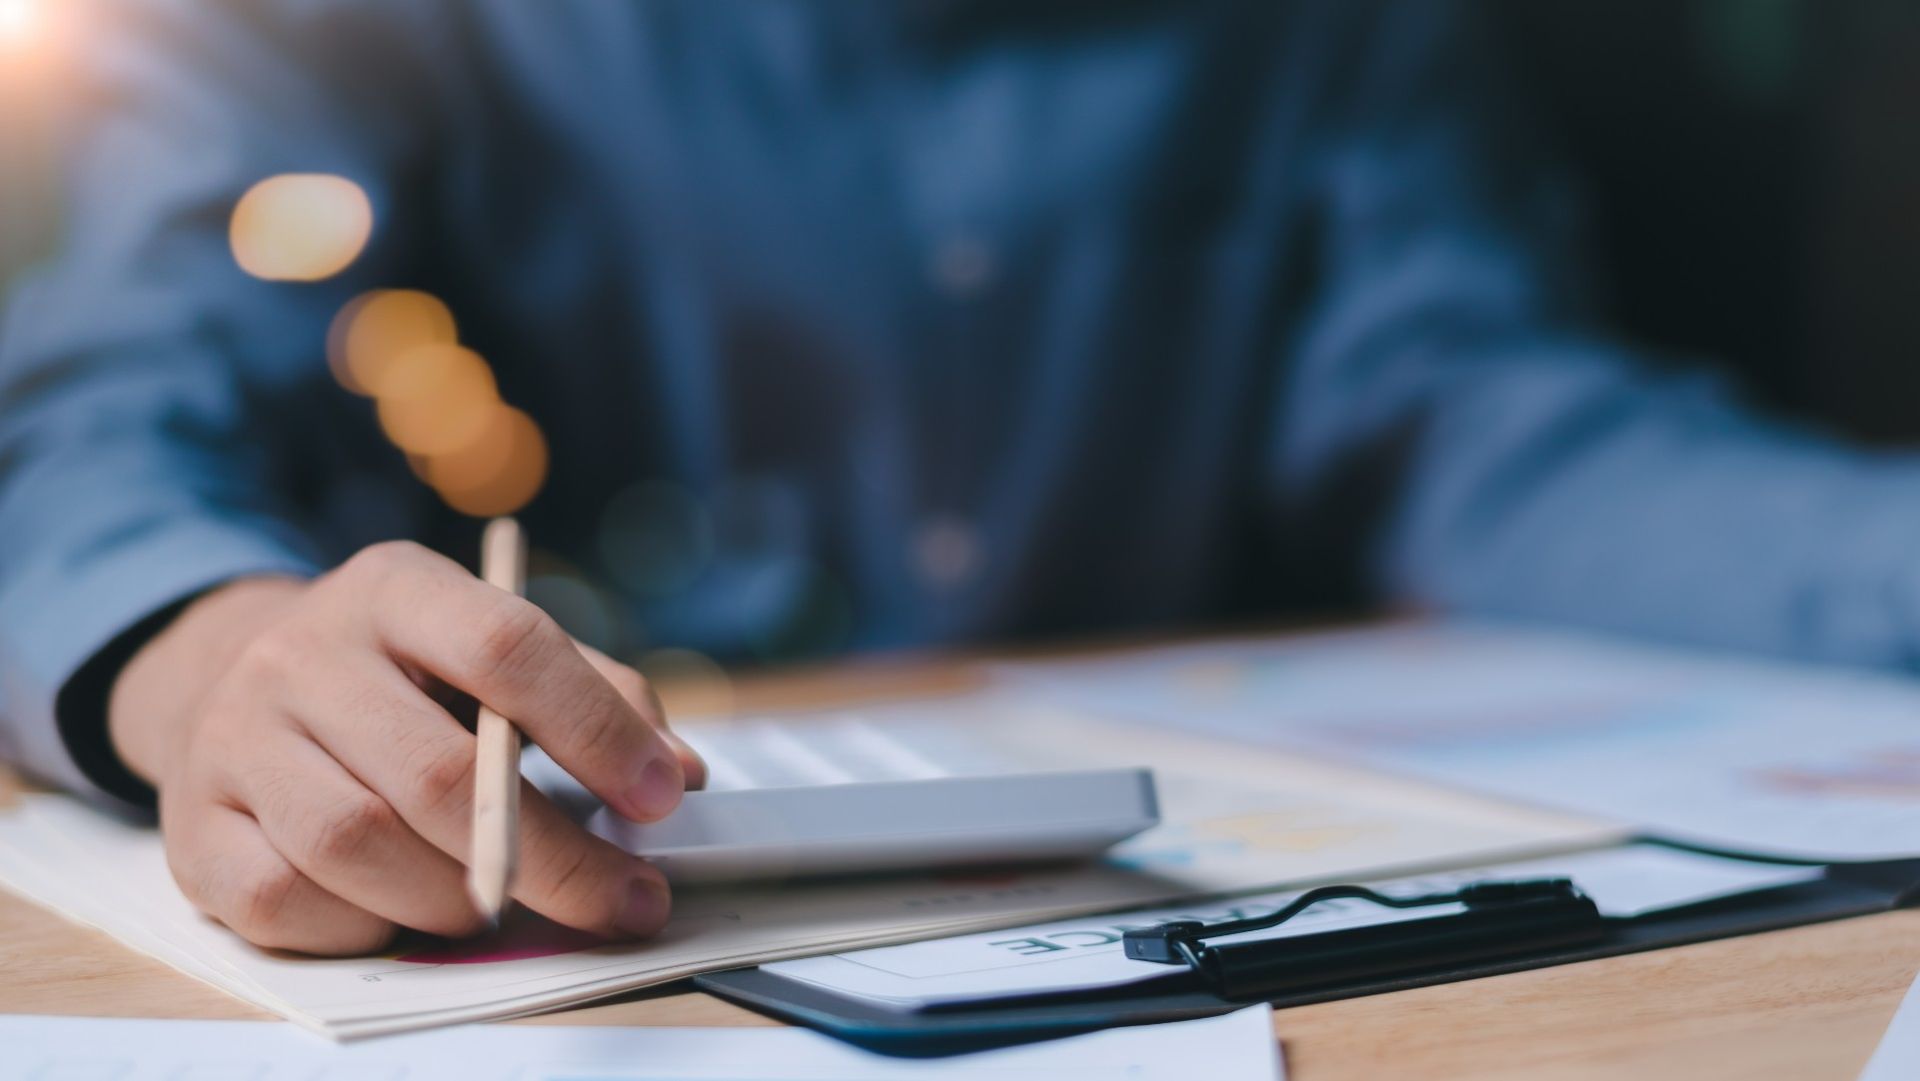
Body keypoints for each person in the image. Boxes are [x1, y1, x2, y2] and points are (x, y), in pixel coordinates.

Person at [3, 0, 1915, 955]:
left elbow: (1486, 418)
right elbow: (87, 413)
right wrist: (195, 651)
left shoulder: (1323, 35)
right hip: (552, 937)